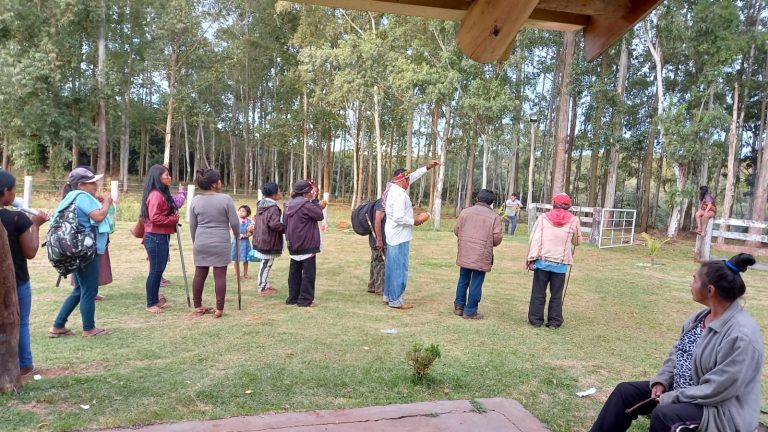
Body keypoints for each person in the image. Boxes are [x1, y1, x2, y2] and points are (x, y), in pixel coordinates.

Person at [589, 253, 763, 432]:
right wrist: (662, 381)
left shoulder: (741, 336)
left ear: (710, 290)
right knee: (625, 392)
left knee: (665, 416)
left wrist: (672, 397)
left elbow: (717, 389)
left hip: (719, 411)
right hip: (685, 392)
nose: (691, 284)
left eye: (694, 280)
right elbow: (678, 354)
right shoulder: (700, 318)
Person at [49, 167, 112, 337]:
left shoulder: (68, 198)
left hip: (70, 250)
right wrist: (107, 202)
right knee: (90, 290)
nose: (96, 185)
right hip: (84, 251)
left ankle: (58, 326)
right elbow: (99, 217)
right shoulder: (82, 197)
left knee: (79, 289)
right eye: (92, 182)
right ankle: (89, 328)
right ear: (81, 184)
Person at [0, 171, 49, 376]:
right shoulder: (16, 218)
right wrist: (36, 225)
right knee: (21, 322)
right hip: (16, 281)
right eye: (14, 189)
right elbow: (30, 252)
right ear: (6, 191)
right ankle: (24, 364)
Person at [383, 160, 440, 309]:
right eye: (407, 179)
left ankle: (388, 295)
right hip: (400, 235)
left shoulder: (393, 188)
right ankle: (395, 300)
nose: (410, 181)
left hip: (392, 234)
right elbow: (399, 217)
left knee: (391, 266)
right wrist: (415, 221)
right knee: (399, 268)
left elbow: (413, 176)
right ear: (402, 180)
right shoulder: (400, 195)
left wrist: (427, 168)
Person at [525, 192, 580, 328]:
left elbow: (534, 237)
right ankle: (554, 321)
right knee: (556, 294)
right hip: (560, 263)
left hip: (542, 261)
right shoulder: (574, 220)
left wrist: (531, 258)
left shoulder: (543, 218)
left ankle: (535, 320)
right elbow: (577, 241)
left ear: (553, 203)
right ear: (569, 206)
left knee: (538, 292)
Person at [189, 168, 239, 318]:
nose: (221, 182)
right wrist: (237, 235)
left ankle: (197, 306)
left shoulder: (195, 200)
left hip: (201, 241)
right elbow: (235, 223)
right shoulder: (225, 199)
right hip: (220, 242)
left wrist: (195, 241)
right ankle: (219, 309)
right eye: (219, 179)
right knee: (220, 276)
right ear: (214, 184)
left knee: (199, 274)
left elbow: (193, 225)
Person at [453, 189, 503, 320]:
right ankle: (470, 311)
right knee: (476, 282)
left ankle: (459, 306)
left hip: (465, 251)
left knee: (463, 279)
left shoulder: (465, 212)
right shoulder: (494, 217)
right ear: (491, 202)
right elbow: (497, 238)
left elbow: (456, 230)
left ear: (477, 199)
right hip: (482, 254)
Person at [140, 164, 180, 314]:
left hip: (160, 235)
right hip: (155, 236)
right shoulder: (156, 195)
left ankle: (155, 300)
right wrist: (173, 219)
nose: (169, 177)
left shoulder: (160, 193)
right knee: (155, 270)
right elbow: (155, 217)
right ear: (158, 178)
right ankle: (151, 303)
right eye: (166, 175)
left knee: (159, 269)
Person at [284, 180, 325, 307]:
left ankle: (293, 297)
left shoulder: (288, 204)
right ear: (306, 192)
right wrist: (315, 203)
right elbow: (319, 215)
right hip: (307, 242)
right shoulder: (307, 204)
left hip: (293, 241)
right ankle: (305, 300)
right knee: (308, 273)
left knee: (294, 271)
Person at [251, 182, 284, 295]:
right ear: (274, 194)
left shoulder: (261, 204)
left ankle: (265, 284)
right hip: (269, 240)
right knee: (266, 263)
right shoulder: (273, 208)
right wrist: (285, 227)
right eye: (279, 191)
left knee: (266, 263)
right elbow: (274, 224)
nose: (281, 193)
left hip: (261, 238)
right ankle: (262, 287)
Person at [367, 199, 386, 295]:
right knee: (380, 262)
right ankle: (379, 288)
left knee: (375, 261)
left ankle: (372, 285)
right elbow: (377, 220)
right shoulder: (383, 203)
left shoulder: (381, 202)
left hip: (376, 238)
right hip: (379, 238)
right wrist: (379, 240)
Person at [232, 205, 253, 279]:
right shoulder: (236, 220)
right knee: (236, 258)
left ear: (247, 213)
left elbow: (251, 232)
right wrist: (238, 234)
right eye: (240, 210)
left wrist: (248, 234)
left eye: (243, 211)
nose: (241, 212)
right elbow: (232, 230)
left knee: (246, 259)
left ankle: (245, 274)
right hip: (236, 242)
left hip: (245, 243)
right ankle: (237, 274)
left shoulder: (249, 221)